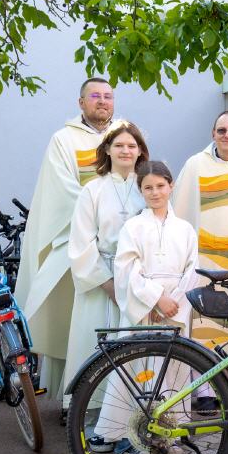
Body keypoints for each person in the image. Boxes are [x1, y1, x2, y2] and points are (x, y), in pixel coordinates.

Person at [15, 77, 115, 413]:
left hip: (119, 244)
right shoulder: (64, 139)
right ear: (81, 102)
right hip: (81, 241)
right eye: (95, 96)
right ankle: (75, 401)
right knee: (76, 326)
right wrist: (100, 219)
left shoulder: (126, 134)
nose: (102, 101)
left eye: (108, 96)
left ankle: (117, 401)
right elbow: (63, 190)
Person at [90, 160, 199, 454]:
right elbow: (126, 269)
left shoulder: (185, 229)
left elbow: (193, 270)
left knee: (173, 367)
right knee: (138, 366)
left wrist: (174, 304)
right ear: (140, 190)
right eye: (148, 187)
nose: (155, 192)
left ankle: (170, 431)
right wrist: (155, 299)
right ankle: (130, 435)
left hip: (175, 309)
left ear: (171, 186)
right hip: (144, 309)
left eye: (160, 186)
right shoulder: (133, 226)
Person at [65, 120, 147, 406]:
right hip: (102, 280)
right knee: (96, 342)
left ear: (140, 152)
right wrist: (108, 284)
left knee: (137, 349)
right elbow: (81, 243)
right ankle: (91, 410)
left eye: (131, 146)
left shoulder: (148, 186)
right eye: (119, 145)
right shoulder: (93, 190)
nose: (126, 150)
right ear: (108, 151)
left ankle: (132, 409)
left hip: (139, 279)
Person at [172, 111, 228, 354]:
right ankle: (202, 386)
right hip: (203, 260)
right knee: (201, 318)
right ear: (213, 134)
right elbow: (179, 212)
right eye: (221, 130)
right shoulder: (195, 165)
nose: (227, 135)